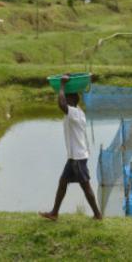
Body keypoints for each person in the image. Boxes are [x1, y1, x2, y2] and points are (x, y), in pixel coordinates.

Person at [40, 75, 103, 221]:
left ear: (72, 101)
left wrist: (62, 86)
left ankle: (98, 215)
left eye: (67, 98)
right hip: (74, 157)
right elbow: (63, 104)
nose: (65, 101)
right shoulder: (76, 111)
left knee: (86, 186)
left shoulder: (74, 113)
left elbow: (61, 105)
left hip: (78, 158)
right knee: (63, 183)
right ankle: (54, 213)